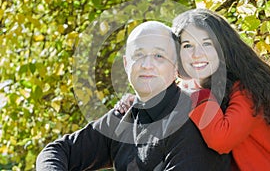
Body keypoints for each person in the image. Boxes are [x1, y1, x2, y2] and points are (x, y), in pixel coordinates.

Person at [36, 21, 231, 170]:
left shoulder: (191, 122)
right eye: (138, 55)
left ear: (177, 68)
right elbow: (58, 150)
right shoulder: (125, 115)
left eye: (159, 56)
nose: (147, 65)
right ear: (126, 63)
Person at [172, 8, 270, 171]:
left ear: (223, 46)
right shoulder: (190, 88)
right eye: (187, 45)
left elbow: (222, 140)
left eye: (207, 43)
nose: (197, 54)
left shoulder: (247, 88)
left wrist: (193, 96)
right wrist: (138, 103)